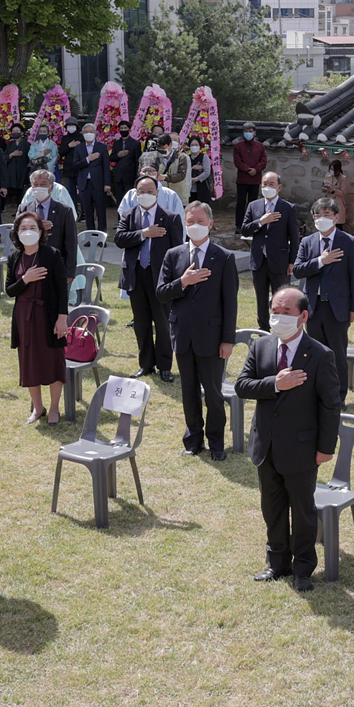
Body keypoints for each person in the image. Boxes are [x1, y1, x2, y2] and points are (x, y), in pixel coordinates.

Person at [235, 286, 343, 591]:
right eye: (275, 311)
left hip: (302, 448)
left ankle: (303, 568)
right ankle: (277, 562)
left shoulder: (320, 355)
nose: (278, 317)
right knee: (272, 508)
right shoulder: (260, 347)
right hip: (265, 445)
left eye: (286, 312)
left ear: (303, 316)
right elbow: (243, 385)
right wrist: (275, 384)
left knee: (303, 510)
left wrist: (325, 448)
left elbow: (331, 405)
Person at [158, 202, 240, 458]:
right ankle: (193, 440)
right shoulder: (174, 255)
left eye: (200, 221)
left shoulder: (224, 257)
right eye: (190, 221)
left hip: (212, 338)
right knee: (189, 391)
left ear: (211, 223)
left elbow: (230, 303)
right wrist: (182, 282)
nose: (195, 225)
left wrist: (227, 340)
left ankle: (216, 443)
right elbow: (161, 293)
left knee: (213, 393)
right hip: (182, 336)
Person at [7, 208, 71, 424]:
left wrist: (62, 318)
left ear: (41, 231)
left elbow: (62, 288)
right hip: (24, 316)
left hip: (49, 315)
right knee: (29, 363)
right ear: (16, 232)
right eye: (23, 228)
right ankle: (37, 408)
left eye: (32, 227)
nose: (27, 231)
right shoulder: (14, 257)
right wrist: (25, 279)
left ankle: (54, 407)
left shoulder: (51, 254)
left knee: (53, 361)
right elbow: (9, 290)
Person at [116, 174, 182, 381]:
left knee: (162, 323)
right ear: (136, 194)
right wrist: (143, 233)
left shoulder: (170, 218)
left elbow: (178, 250)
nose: (145, 195)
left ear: (157, 193)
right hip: (136, 275)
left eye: (149, 192)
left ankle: (164, 365)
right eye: (141, 192)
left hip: (161, 277)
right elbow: (119, 239)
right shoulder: (128, 215)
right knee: (141, 323)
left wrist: (174, 280)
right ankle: (145, 364)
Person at [292, 195, 354, 378]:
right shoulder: (307, 242)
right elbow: (298, 270)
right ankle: (318, 392)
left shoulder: (348, 242)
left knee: (337, 353)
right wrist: (320, 261)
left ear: (336, 217)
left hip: (337, 308)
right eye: (317, 215)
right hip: (313, 306)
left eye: (326, 214)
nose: (321, 218)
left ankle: (338, 396)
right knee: (315, 352)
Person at [238, 170, 300, 328]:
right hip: (259, 260)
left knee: (281, 298)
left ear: (279, 188)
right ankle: (263, 328)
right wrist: (260, 221)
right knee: (261, 298)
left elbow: (294, 237)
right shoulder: (254, 206)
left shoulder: (288, 208)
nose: (267, 187)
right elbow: (244, 229)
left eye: (271, 184)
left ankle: (282, 326)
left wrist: (292, 261)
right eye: (264, 184)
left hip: (279, 261)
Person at [20, 168, 77, 263]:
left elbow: (71, 242)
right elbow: (14, 233)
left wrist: (69, 273)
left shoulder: (64, 209)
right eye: (35, 184)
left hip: (56, 261)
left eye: (43, 184)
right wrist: (36, 227)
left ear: (51, 187)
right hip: (30, 260)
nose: (39, 188)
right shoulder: (24, 208)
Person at [64, 124, 106, 229]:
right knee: (88, 211)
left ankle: (102, 235)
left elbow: (106, 167)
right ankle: (90, 234)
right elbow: (75, 165)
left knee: (100, 211)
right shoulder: (79, 148)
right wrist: (88, 159)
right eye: (86, 132)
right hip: (84, 184)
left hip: (98, 183)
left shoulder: (102, 147)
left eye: (91, 132)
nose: (89, 134)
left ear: (95, 133)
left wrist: (107, 184)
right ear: (83, 134)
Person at [231, 122, 267, 223]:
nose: (248, 133)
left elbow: (263, 161)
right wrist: (247, 169)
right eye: (246, 131)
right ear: (243, 133)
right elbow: (237, 162)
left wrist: (256, 169)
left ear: (254, 133)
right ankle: (239, 225)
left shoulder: (260, 146)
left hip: (255, 180)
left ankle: (252, 224)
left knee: (254, 204)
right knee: (240, 203)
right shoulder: (238, 146)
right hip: (242, 179)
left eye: (250, 131)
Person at [107, 124, 144, 213]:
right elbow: (111, 158)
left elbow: (137, 161)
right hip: (118, 175)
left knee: (130, 199)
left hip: (130, 176)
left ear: (129, 129)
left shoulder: (135, 144)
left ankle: (131, 220)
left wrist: (137, 176)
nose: (123, 130)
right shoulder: (116, 143)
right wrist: (118, 155)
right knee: (120, 200)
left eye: (125, 128)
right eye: (121, 128)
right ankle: (120, 221)